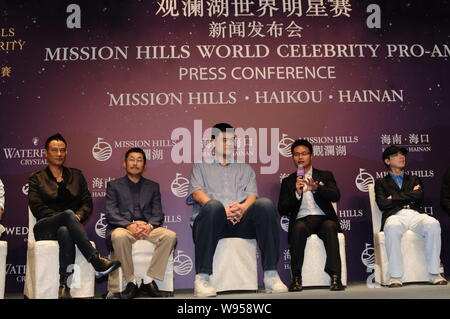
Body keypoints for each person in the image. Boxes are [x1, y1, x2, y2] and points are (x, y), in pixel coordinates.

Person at [188, 123, 287, 297]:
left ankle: (271, 275)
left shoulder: (245, 168)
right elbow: (197, 193)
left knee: (265, 204)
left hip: (239, 222)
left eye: (233, 140)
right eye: (225, 140)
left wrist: (241, 208)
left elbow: (251, 196)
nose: (230, 144)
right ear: (213, 142)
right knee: (213, 207)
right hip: (212, 223)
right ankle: (202, 278)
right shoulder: (200, 166)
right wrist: (221, 210)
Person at [28, 133, 121, 299]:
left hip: (69, 226)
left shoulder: (76, 176)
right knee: (66, 217)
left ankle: (64, 285)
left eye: (62, 150)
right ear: (45, 153)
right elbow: (37, 207)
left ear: (66, 152)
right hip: (45, 227)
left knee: (65, 230)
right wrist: (65, 216)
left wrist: (78, 216)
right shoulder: (37, 179)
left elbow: (87, 203)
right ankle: (96, 260)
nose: (59, 154)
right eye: (54, 150)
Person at [105, 147, 177, 299]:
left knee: (170, 236)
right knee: (118, 236)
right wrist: (128, 225)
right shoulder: (114, 186)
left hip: (147, 228)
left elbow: (158, 213)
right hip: (124, 228)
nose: (135, 163)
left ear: (144, 165)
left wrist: (149, 226)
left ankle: (149, 279)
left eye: (139, 160)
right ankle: (131, 281)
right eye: (132, 159)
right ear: (124, 164)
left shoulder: (153, 186)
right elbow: (111, 213)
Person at [375, 145, 447, 287]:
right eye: (396, 155)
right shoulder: (381, 182)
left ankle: (434, 273)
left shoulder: (414, 178)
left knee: (433, 224)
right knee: (393, 226)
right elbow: (383, 204)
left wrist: (393, 198)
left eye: (403, 155)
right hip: (395, 215)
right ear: (387, 161)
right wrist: (409, 195)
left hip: (415, 214)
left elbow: (419, 196)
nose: (402, 157)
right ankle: (395, 277)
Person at [278, 139, 344, 291]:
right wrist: (297, 193)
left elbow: (335, 196)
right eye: (296, 154)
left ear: (311, 156)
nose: (300, 157)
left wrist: (316, 188)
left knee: (330, 226)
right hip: (302, 220)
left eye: (304, 154)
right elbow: (282, 208)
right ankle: (296, 278)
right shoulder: (288, 181)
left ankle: (335, 277)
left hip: (323, 219)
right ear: (292, 157)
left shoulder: (325, 175)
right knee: (298, 228)